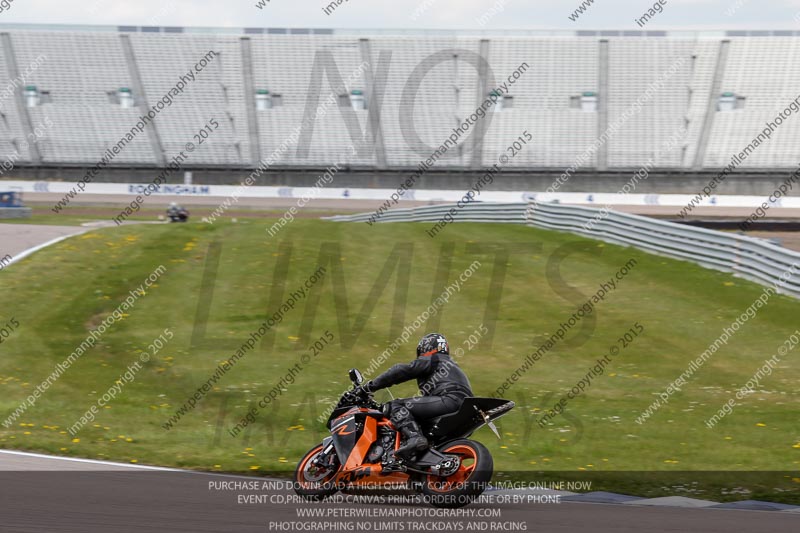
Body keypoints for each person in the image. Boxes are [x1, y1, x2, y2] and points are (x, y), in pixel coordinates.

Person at [359, 333, 473, 460]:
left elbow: (400, 371)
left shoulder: (434, 359)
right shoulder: (453, 366)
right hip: (464, 408)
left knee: (395, 405)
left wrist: (369, 387)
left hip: (448, 400)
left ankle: (415, 437)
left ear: (426, 348)